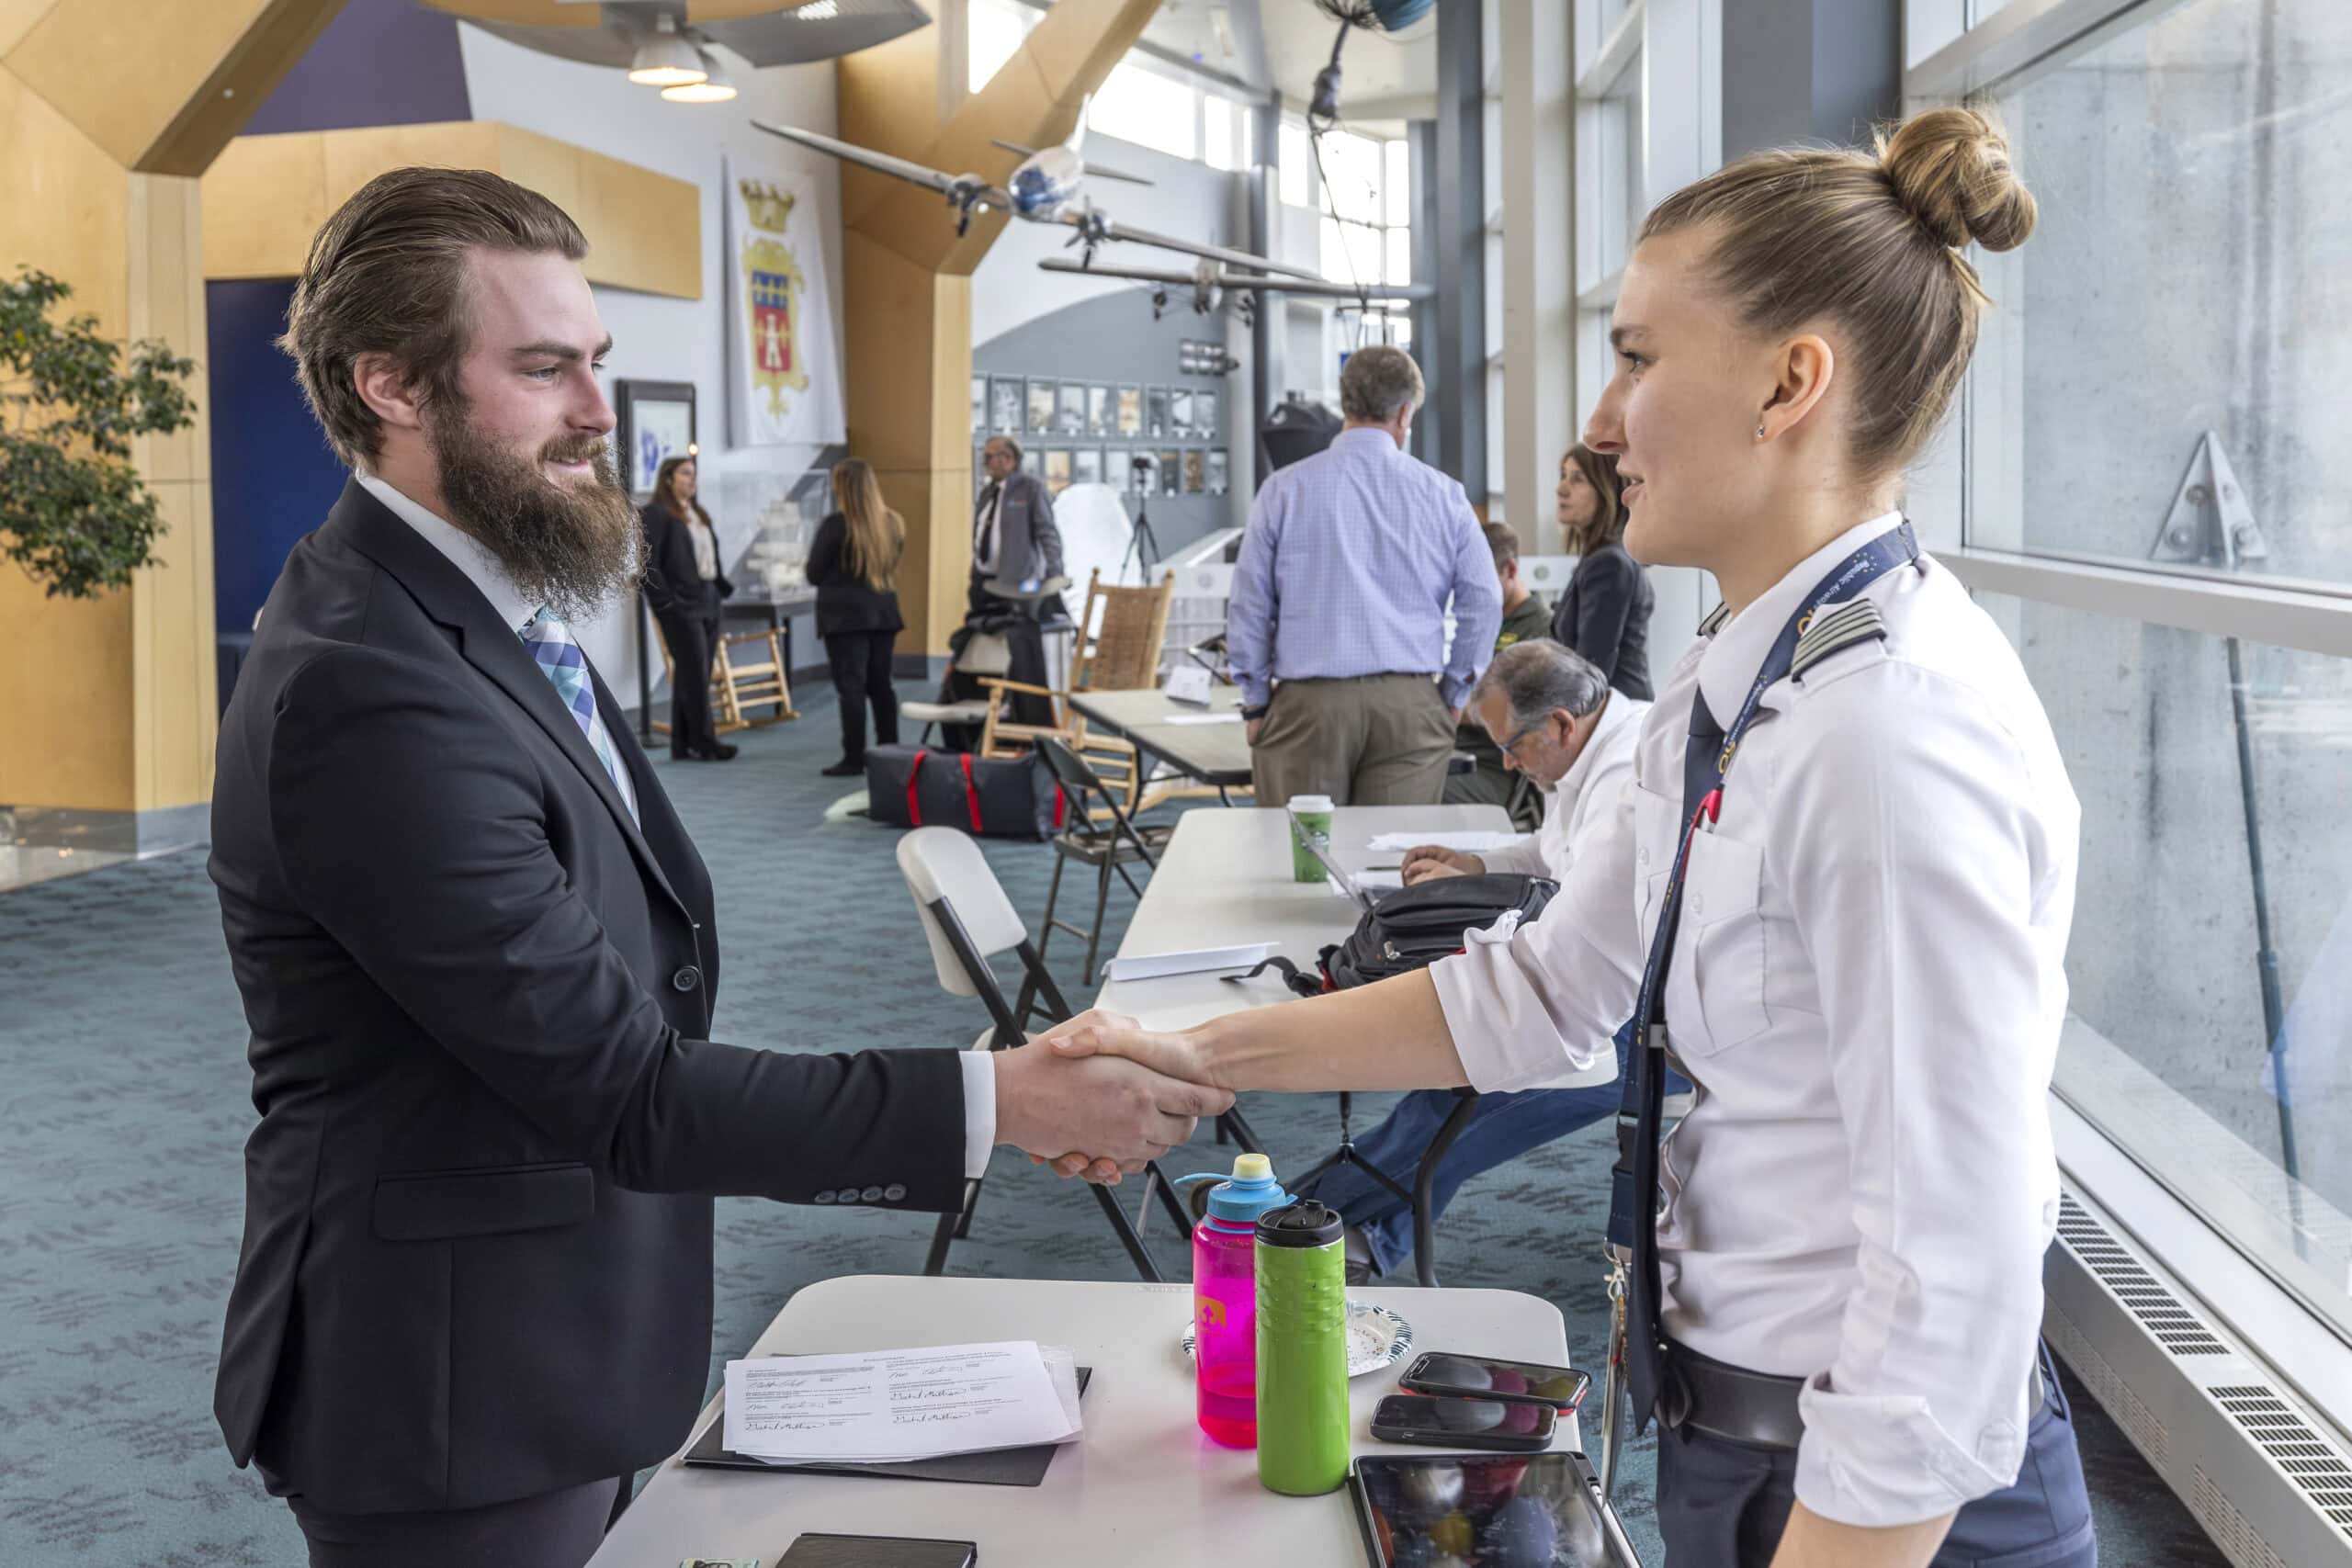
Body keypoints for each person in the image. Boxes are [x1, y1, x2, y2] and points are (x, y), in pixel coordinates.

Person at [1048, 107, 2094, 1568]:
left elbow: (1959, 1279)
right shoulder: (1745, 691)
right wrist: (1198, 1053)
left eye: (1639, 356)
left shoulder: (1883, 737)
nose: (1603, 420)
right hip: (1751, 1444)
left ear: (1793, 381)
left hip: (1893, 1503)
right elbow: (1545, 991)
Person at [209, 166, 1230, 1568]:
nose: (595, 412)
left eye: (598, 364)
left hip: (553, 1325)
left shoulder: (479, 609)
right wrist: (992, 1095)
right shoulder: (366, 683)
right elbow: (623, 1080)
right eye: (545, 367)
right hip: (451, 1380)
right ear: (389, 382)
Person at [1306, 639, 1645, 1284]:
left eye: (1511, 746)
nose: (1510, 765)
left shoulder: (1625, 773)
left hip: (1648, 1019)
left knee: (1461, 1100)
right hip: (1611, 989)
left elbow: (1583, 918)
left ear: (1560, 724)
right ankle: (1368, 1236)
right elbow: (1553, 856)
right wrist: (1474, 867)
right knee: (1453, 1084)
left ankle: (1286, 1216)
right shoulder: (1581, 755)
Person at [1227, 344, 1502, 807]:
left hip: (1307, 705)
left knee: (1303, 868)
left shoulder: (1283, 490)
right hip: (1411, 705)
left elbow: (1249, 604)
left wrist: (1254, 700)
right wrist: (1456, 692)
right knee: (1393, 866)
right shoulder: (1443, 495)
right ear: (1405, 413)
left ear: (1344, 403)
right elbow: (1484, 599)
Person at [1444, 520, 1557, 821]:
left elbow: (1520, 714)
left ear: (1510, 570)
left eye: (1481, 578)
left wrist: (1453, 705)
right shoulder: (1484, 626)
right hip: (1456, 755)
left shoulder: (1540, 633)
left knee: (1417, 791)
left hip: (1498, 769)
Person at [806, 457, 906, 777]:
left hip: (844, 618)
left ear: (843, 488)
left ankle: (854, 757)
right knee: (881, 686)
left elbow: (814, 573)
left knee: (851, 687)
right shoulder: (892, 522)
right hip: (883, 613)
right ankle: (890, 750)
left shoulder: (836, 525)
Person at [640, 453, 735, 761]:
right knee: (694, 671)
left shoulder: (697, 513)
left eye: (693, 474)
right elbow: (647, 563)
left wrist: (720, 586)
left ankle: (682, 743)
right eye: (684, 473)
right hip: (681, 604)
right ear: (668, 479)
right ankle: (706, 742)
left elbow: (707, 558)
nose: (691, 479)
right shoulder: (656, 512)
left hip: (708, 597)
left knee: (695, 672)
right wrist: (665, 602)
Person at [1550, 443, 1654, 700]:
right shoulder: (1598, 559)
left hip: (1614, 716)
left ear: (1605, 490)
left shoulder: (1609, 563)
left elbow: (1592, 667)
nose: (1561, 489)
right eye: (1563, 476)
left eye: (1578, 480)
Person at [970, 434, 1063, 616]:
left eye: (989, 457)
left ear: (1008, 459)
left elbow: (1047, 533)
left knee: (1018, 636)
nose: (985, 463)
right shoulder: (987, 493)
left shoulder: (1031, 489)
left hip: (1017, 583)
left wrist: (1055, 574)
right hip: (983, 581)